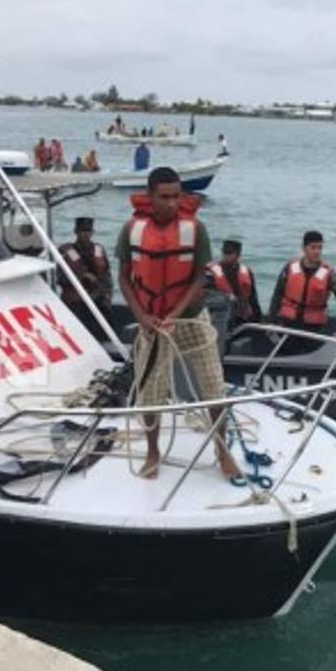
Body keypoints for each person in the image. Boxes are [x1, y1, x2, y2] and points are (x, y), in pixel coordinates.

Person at [117, 167, 239, 480]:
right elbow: (123, 278)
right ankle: (153, 452)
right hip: (152, 325)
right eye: (164, 197)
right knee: (151, 395)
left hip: (191, 319)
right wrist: (142, 317)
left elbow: (200, 278)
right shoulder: (131, 229)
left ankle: (223, 452)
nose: (171, 203)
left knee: (214, 387)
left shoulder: (196, 229)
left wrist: (176, 315)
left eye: (176, 196)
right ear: (150, 197)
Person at [268, 230, 336, 333]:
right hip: (288, 323)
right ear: (304, 248)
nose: (317, 251)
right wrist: (271, 320)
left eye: (320, 248)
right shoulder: (289, 268)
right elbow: (277, 295)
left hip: (314, 326)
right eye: (313, 247)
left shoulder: (328, 273)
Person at [60, 217, 113, 340]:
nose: (85, 234)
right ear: (76, 232)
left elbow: (107, 277)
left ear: (92, 232)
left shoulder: (99, 250)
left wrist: (106, 297)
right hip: (76, 303)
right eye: (82, 231)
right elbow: (61, 279)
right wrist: (82, 276)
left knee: (104, 325)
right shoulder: (66, 252)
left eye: (88, 231)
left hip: (97, 300)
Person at [206, 238, 261, 329]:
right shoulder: (210, 272)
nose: (226, 256)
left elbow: (253, 298)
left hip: (243, 315)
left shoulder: (247, 271)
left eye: (229, 253)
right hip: (221, 316)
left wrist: (258, 319)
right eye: (224, 252)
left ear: (238, 255)